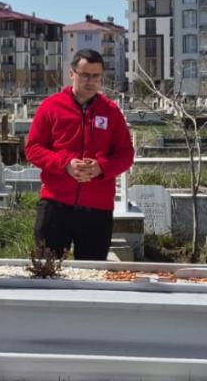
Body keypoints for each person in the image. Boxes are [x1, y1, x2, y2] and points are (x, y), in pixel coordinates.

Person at [25, 49, 135, 260]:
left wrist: (101, 167)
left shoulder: (111, 112)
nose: (90, 81)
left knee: (92, 273)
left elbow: (125, 155)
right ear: (71, 74)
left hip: (97, 208)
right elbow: (33, 148)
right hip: (56, 204)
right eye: (85, 75)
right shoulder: (51, 107)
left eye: (96, 76)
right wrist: (65, 164)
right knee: (46, 269)